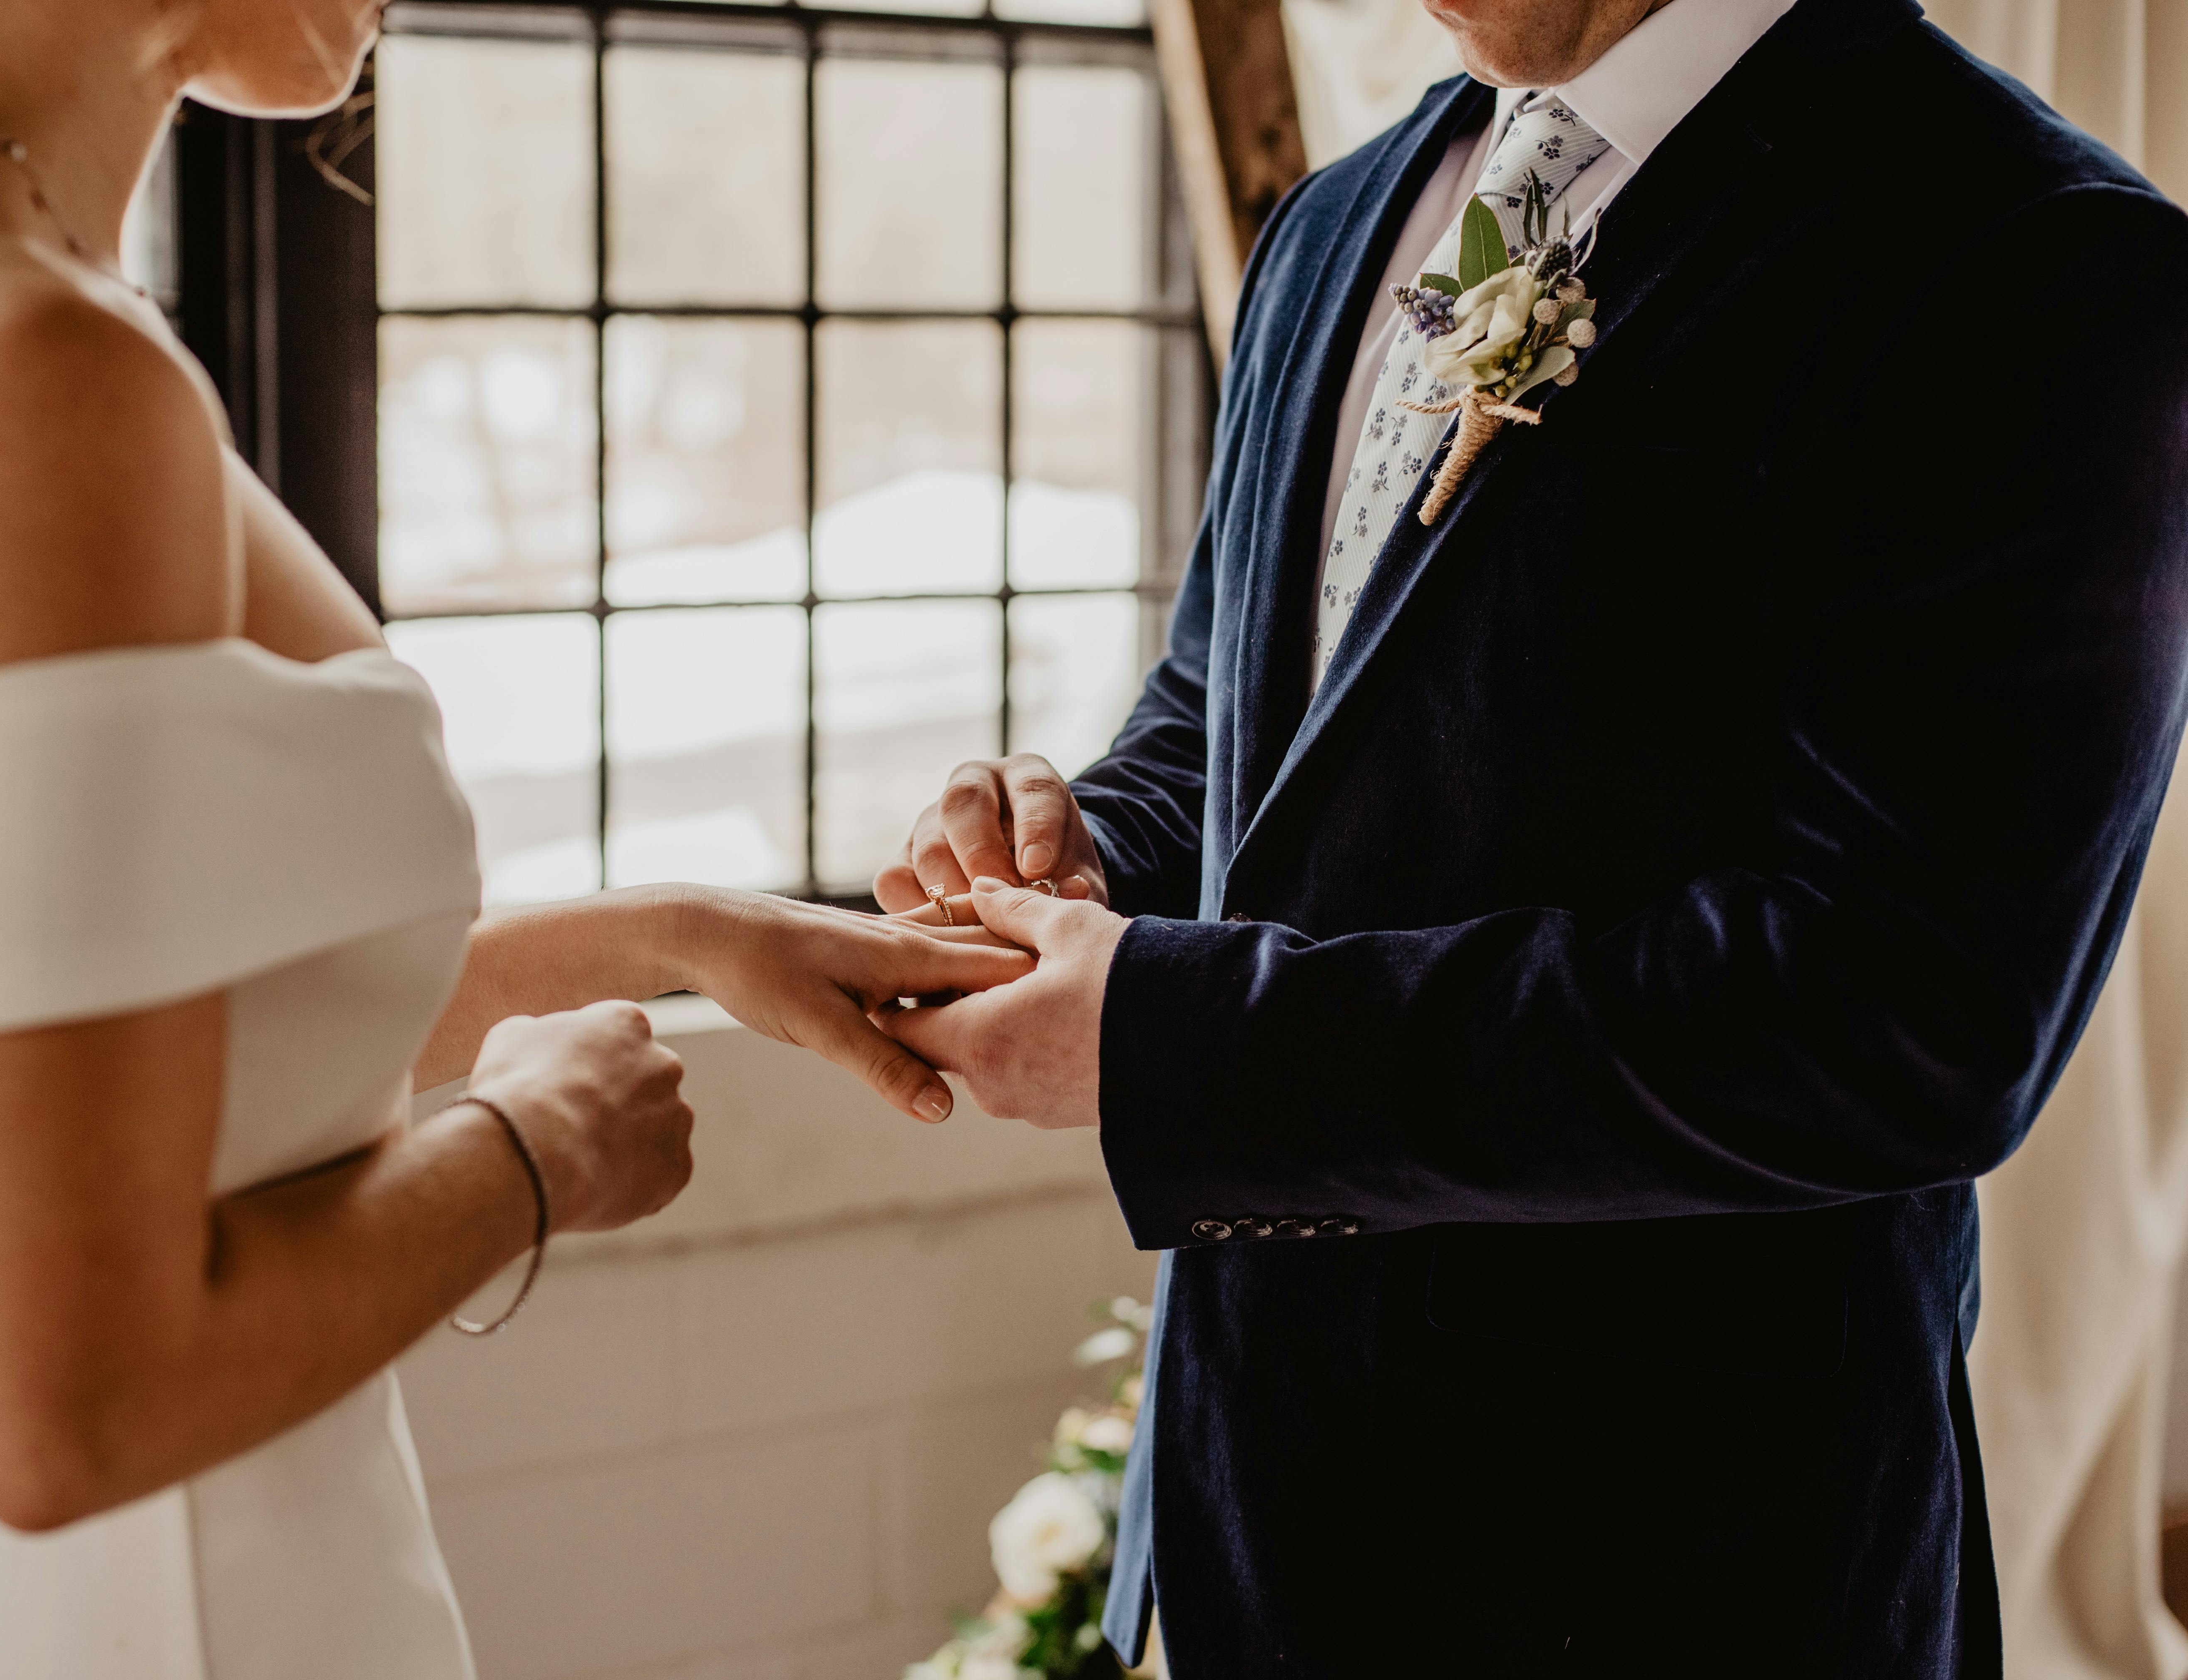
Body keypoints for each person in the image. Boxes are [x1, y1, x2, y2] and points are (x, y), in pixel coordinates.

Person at [0, 1, 1029, 1675]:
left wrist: (680, 937)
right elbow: (58, 1403)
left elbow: (157, 1051)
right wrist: (536, 1151)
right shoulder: (8, 370)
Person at [872, 0, 2188, 1668]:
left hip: (1684, 1562)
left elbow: (1903, 1011)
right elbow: (1238, 716)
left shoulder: (2027, 257)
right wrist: (1081, 846)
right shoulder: (1338, 218)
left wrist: (1172, 1037)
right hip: (1255, 1519)